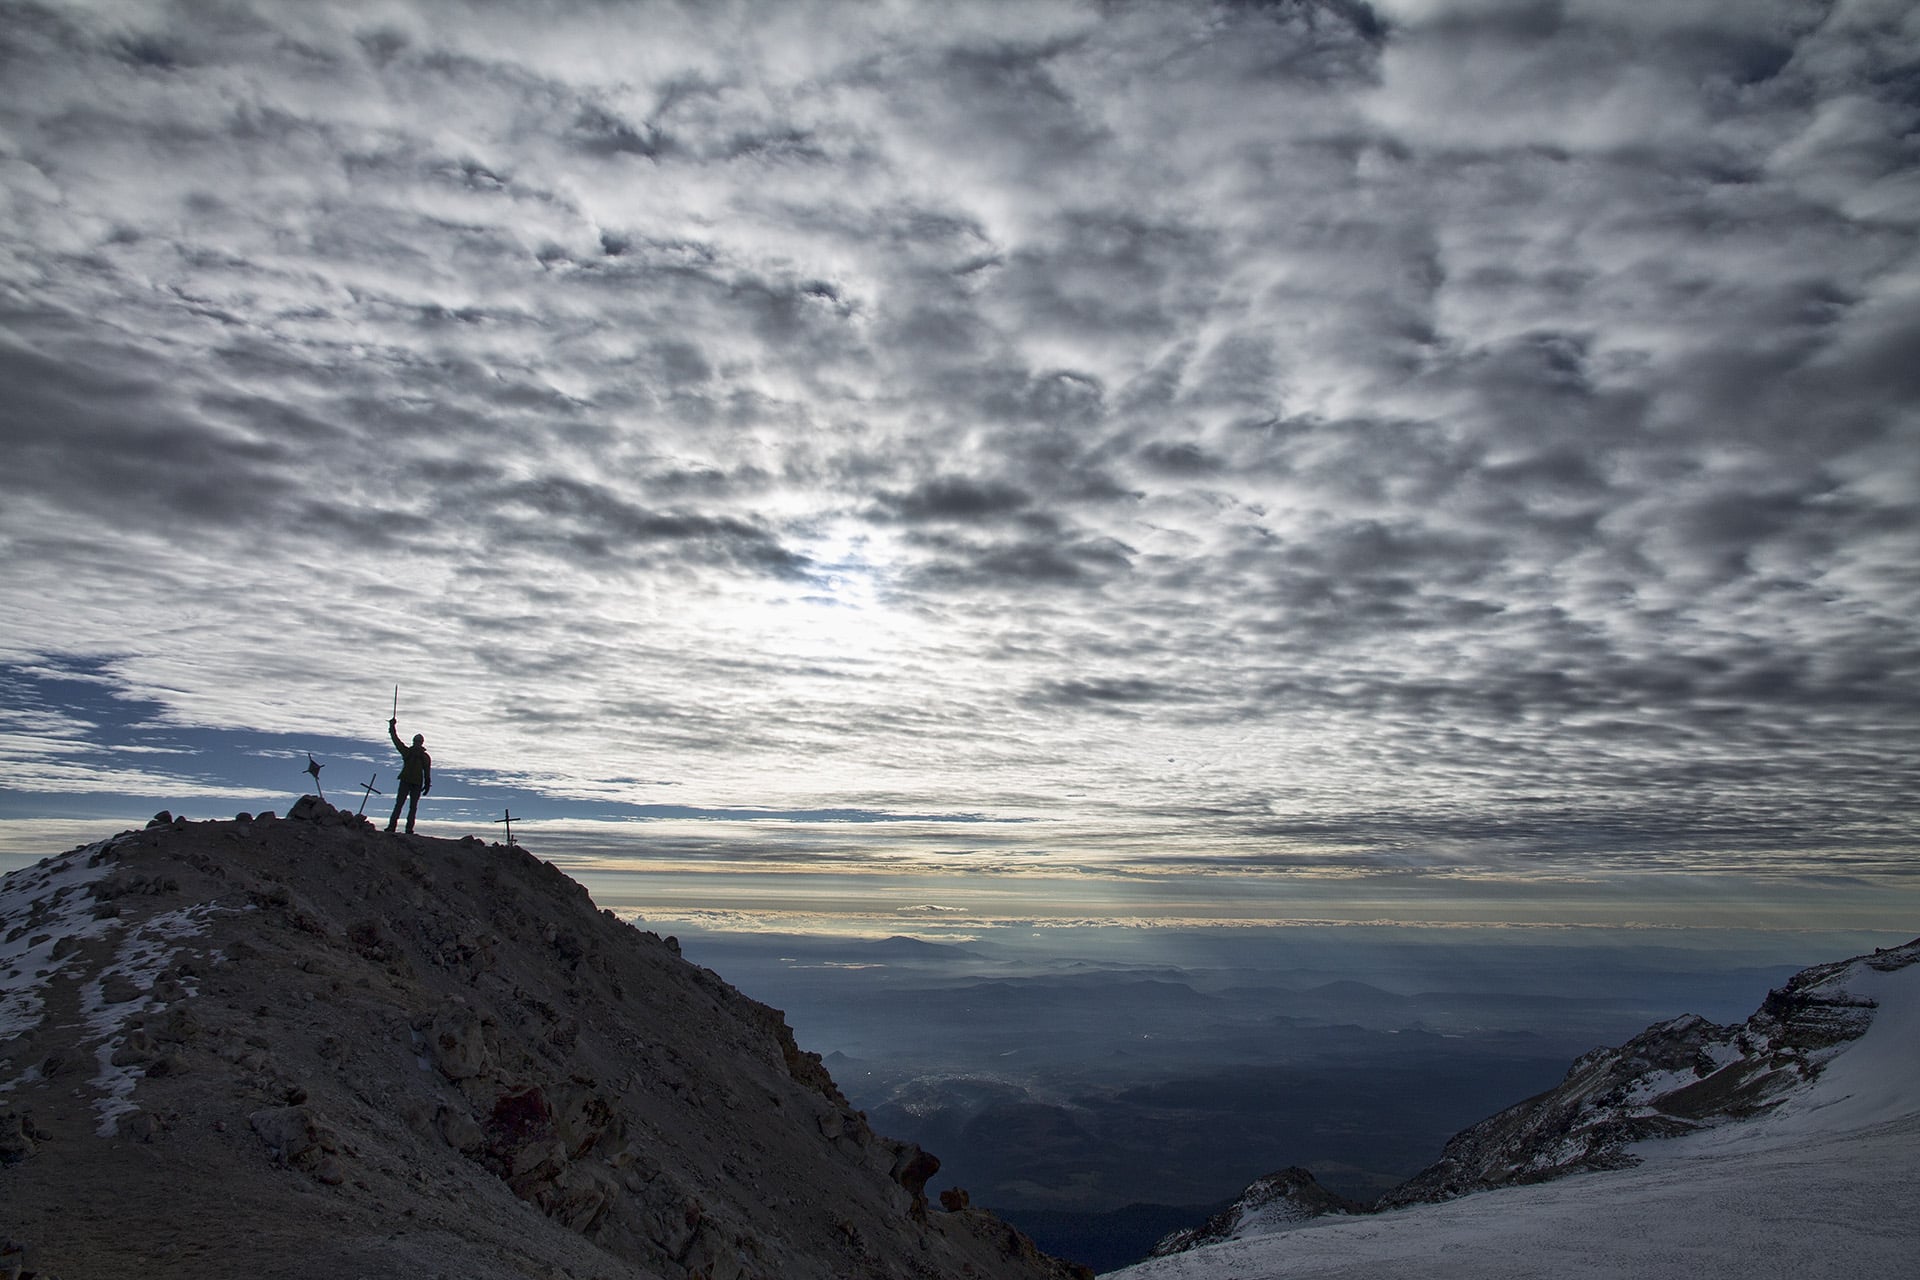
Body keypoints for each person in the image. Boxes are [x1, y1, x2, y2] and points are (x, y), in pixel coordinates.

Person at [386, 718, 432, 834]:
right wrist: (427, 785)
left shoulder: (411, 753)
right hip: (413, 782)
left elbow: (396, 741)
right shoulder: (422, 756)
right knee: (409, 806)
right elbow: (427, 773)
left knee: (402, 805)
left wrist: (392, 728)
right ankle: (404, 828)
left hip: (410, 782)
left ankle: (396, 827)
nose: (417, 743)